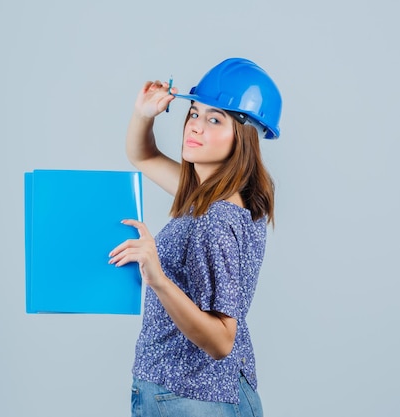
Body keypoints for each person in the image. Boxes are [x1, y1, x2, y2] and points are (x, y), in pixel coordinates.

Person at [108, 58, 282, 417]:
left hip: (194, 398)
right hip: (195, 393)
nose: (195, 127)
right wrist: (144, 114)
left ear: (244, 136)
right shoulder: (212, 196)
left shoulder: (216, 218)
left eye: (215, 119)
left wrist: (156, 278)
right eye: (193, 113)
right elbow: (142, 155)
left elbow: (221, 340)